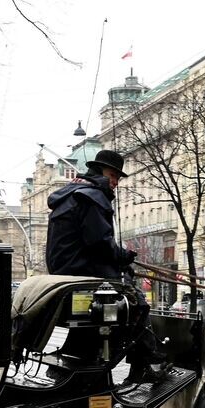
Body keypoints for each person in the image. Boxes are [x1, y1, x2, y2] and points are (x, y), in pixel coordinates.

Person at [46, 149, 164, 382]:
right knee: (136, 302)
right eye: (113, 176)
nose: (115, 183)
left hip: (67, 269)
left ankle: (74, 354)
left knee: (127, 289)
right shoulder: (92, 196)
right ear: (99, 171)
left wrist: (121, 262)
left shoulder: (71, 194)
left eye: (118, 179)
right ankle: (144, 364)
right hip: (82, 270)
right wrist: (124, 256)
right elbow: (99, 242)